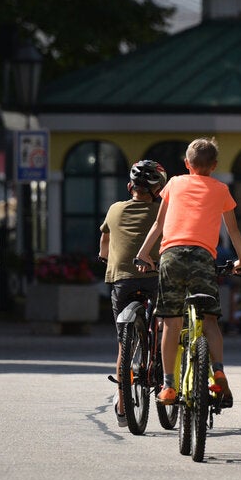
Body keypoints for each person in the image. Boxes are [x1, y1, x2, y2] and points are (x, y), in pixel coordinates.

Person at [135, 138, 241, 407]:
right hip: (203, 257)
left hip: (171, 255)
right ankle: (218, 371)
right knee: (209, 320)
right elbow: (233, 230)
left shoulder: (174, 183)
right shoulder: (221, 189)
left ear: (187, 163)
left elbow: (159, 224)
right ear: (215, 166)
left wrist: (142, 254)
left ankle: (168, 386)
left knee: (171, 322)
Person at [98, 160, 167, 426]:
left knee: (122, 343)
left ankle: (122, 405)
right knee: (164, 324)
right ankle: (162, 367)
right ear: (157, 190)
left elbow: (104, 240)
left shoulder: (115, 209)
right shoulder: (162, 211)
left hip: (122, 279)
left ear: (130, 187)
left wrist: (105, 257)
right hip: (154, 276)